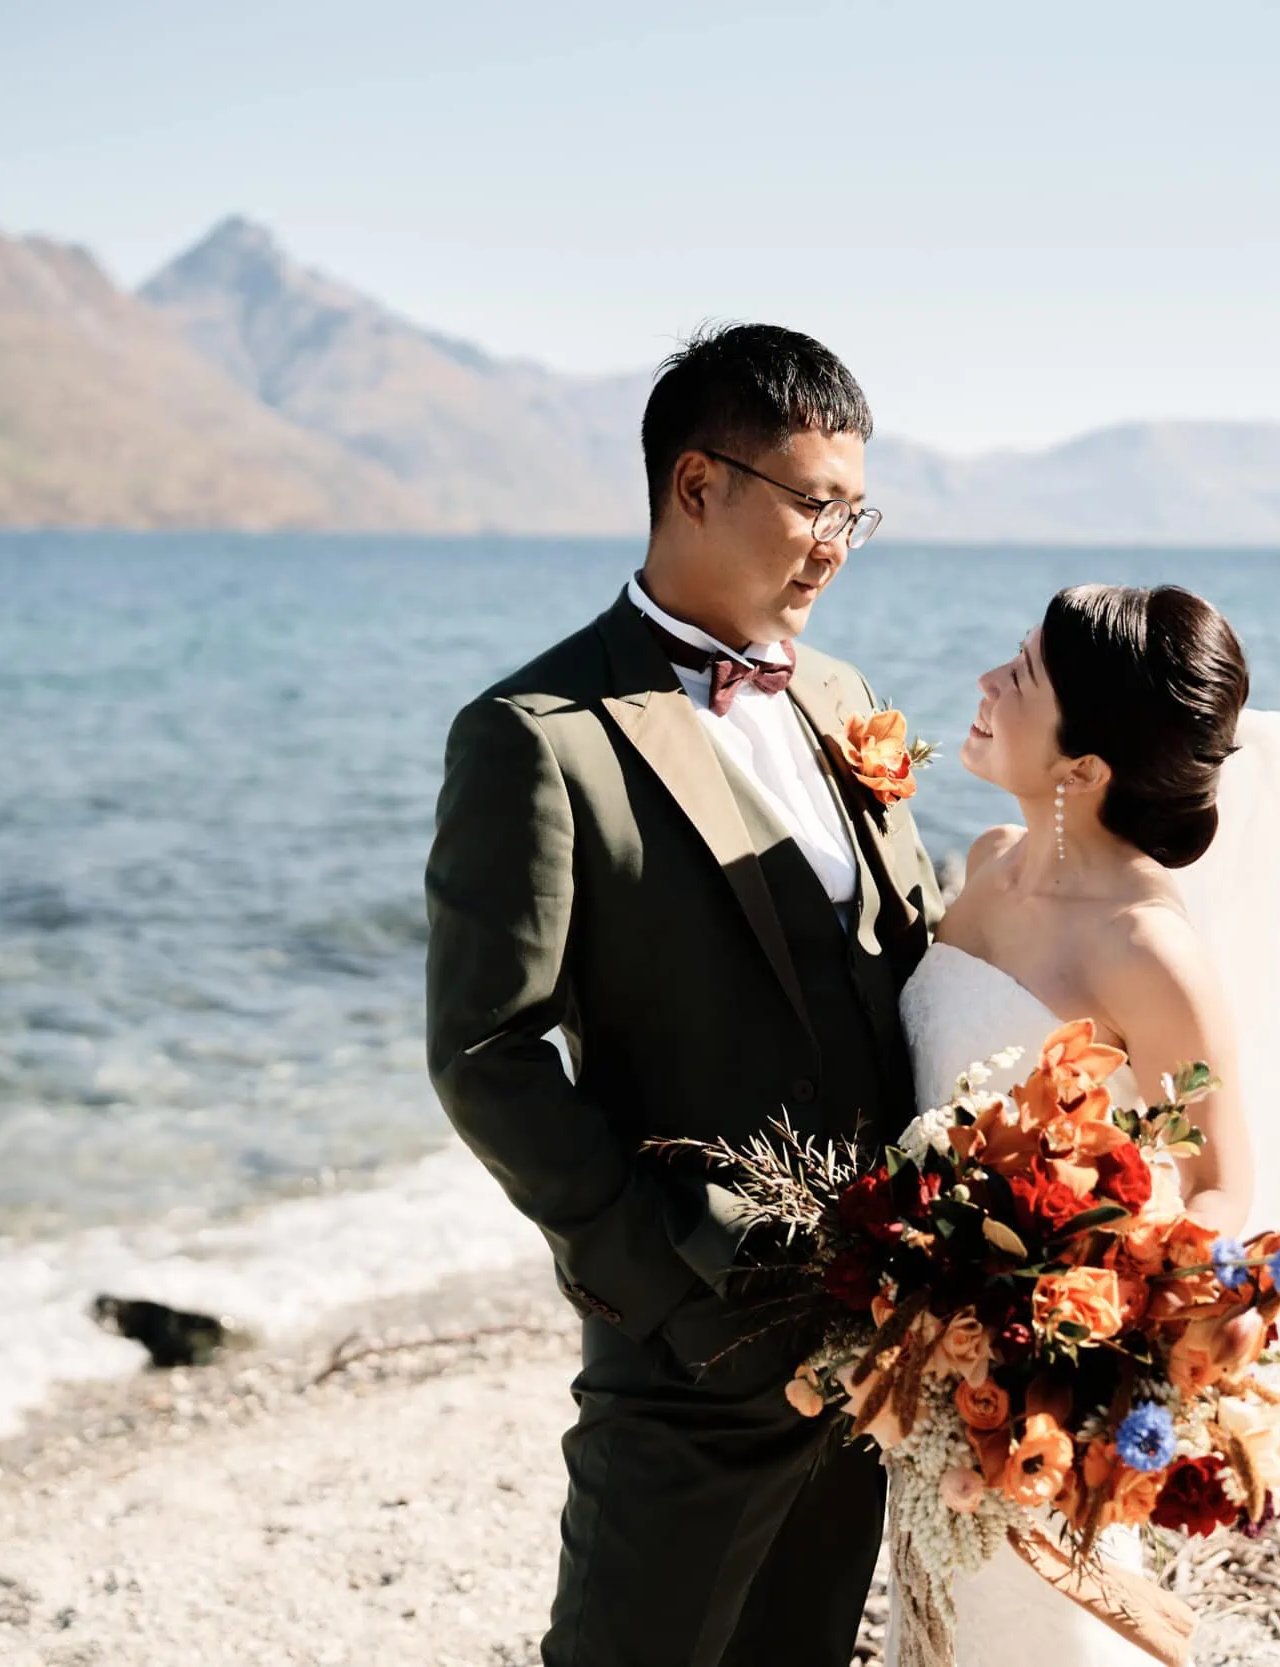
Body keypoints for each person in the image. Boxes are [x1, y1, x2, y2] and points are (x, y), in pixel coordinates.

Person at [425, 322, 942, 1667]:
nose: (834, 541)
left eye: (854, 510)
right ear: (696, 484)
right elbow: (487, 1045)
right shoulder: (539, 735)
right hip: (692, 1345)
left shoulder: (840, 696)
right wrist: (649, 1270)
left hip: (884, 1331)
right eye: (811, 504)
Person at [895, 582, 1280, 1664]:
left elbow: (1223, 1181)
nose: (985, 682)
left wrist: (1078, 1337)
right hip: (937, 1376)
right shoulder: (985, 862)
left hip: (1041, 1403)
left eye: (1021, 675)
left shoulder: (1146, 947)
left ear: (1084, 768)